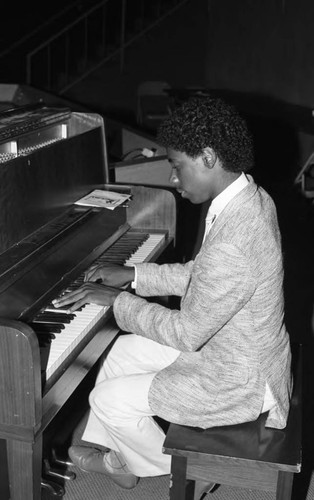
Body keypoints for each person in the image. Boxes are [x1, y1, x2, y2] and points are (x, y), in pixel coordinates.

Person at [53, 95, 292, 492]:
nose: (174, 180)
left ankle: (178, 470)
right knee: (118, 354)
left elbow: (186, 333)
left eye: (178, 166)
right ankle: (122, 460)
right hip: (233, 347)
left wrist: (116, 301)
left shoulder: (238, 235)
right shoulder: (249, 198)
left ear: (209, 157)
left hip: (240, 379)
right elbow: (204, 275)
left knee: (109, 399)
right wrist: (133, 274)